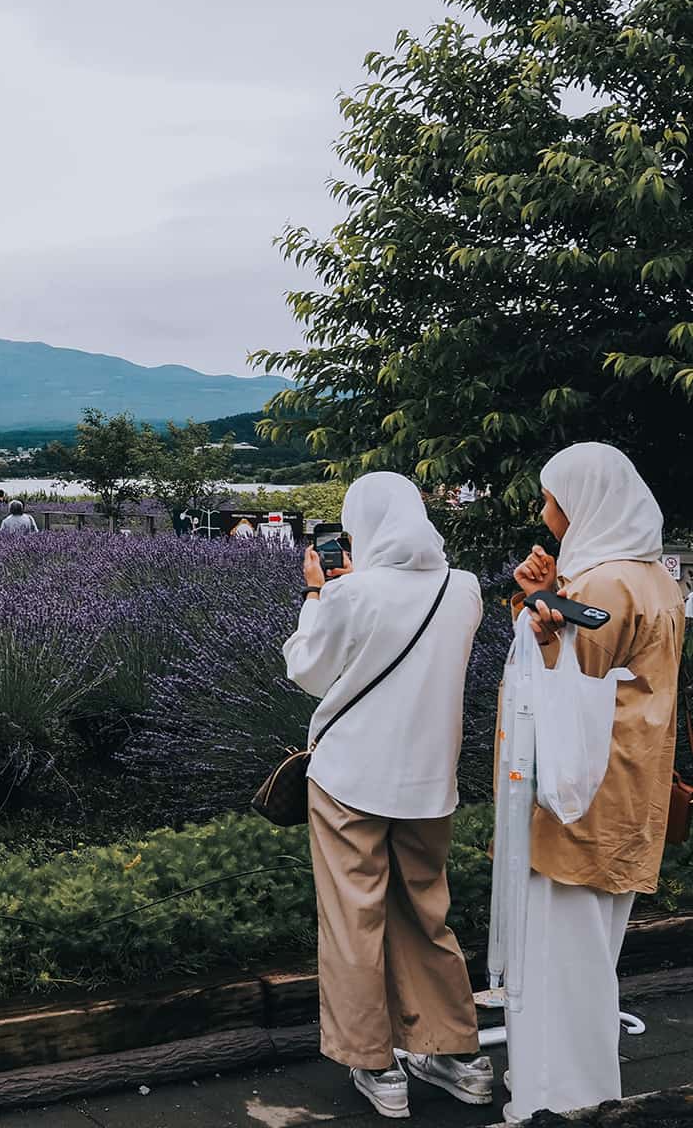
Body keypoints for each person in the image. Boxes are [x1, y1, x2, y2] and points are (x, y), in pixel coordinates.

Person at [282, 472, 492, 1119]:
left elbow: (307, 671)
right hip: (429, 783)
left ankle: (377, 1066)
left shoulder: (353, 593)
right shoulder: (465, 589)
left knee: (355, 922)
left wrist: (318, 594)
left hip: (350, 780)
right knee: (426, 914)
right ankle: (456, 1054)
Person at [504, 443, 685, 1121]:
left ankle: (561, 1100)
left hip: (578, 794)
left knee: (560, 959)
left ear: (582, 503)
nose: (544, 509)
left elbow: (563, 688)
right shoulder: (653, 577)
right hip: (631, 783)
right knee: (591, 951)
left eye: (553, 496)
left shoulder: (601, 584)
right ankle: (573, 1090)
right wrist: (545, 600)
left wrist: (542, 613)